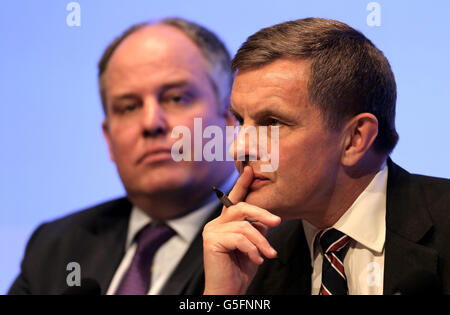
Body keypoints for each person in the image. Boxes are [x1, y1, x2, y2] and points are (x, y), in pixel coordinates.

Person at [202, 18, 450, 295]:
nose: (238, 148)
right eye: (239, 120)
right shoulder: (247, 258)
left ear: (355, 138)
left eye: (271, 123)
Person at [9, 17, 238, 295]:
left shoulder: (280, 239)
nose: (151, 123)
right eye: (129, 107)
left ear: (229, 121)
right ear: (108, 138)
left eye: (176, 98)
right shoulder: (56, 246)